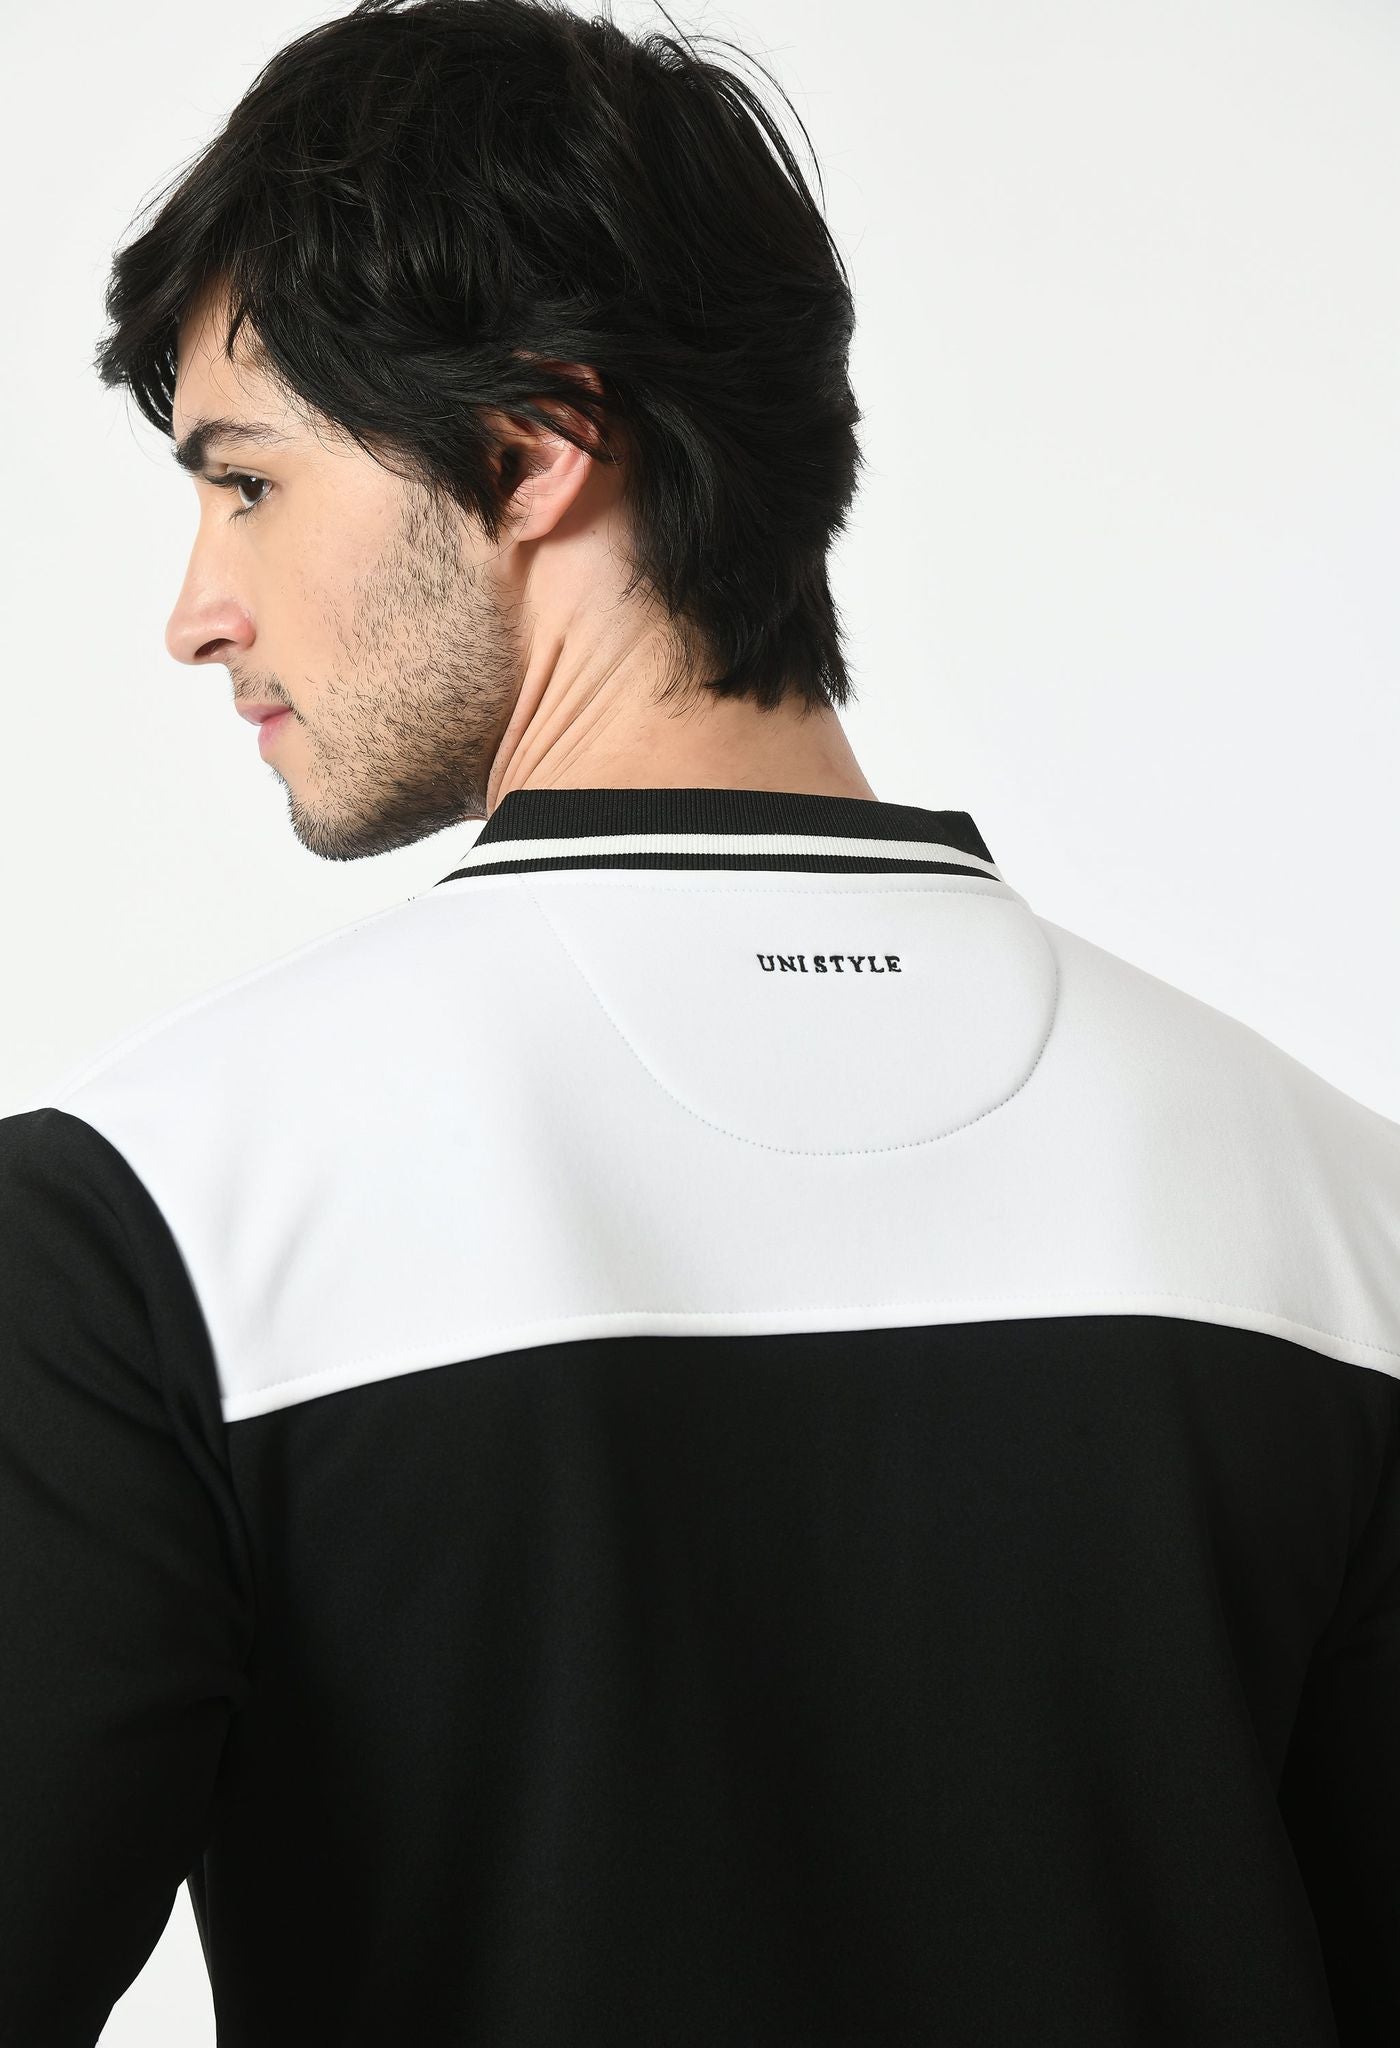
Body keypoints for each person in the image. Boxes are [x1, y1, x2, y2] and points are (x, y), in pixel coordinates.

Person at [2, 2, 1397, 2042]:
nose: (196, 609)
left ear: (530, 451)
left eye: (247, 484)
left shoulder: (157, 1217)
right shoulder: (1340, 1215)